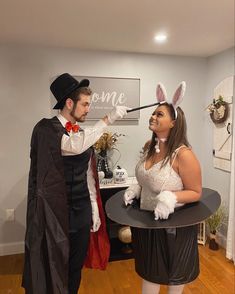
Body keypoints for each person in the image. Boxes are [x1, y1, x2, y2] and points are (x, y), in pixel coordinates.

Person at [22, 73, 130, 294]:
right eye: (85, 104)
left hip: (80, 212)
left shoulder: (80, 132)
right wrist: (107, 119)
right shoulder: (46, 129)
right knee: (53, 263)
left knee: (74, 266)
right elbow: (73, 145)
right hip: (55, 213)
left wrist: (94, 210)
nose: (88, 109)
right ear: (69, 103)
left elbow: (88, 175)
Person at [123, 82, 202, 294]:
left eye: (159, 114)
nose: (153, 117)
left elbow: (196, 192)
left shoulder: (183, 155)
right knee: (149, 276)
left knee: (173, 278)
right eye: (153, 114)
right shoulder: (149, 147)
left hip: (173, 229)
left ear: (173, 123)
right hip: (147, 224)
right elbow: (146, 179)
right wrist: (136, 189)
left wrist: (170, 198)